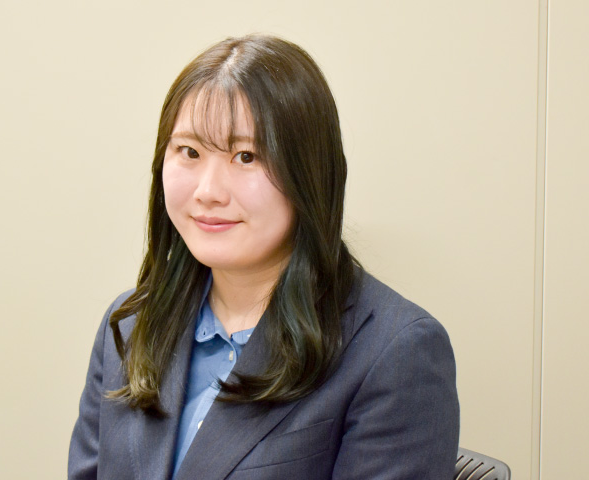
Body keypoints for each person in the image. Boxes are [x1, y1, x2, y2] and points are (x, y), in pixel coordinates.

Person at [68, 34, 459, 480]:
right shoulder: (130, 324)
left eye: (246, 156)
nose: (208, 192)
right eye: (189, 151)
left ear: (310, 172)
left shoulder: (396, 352)